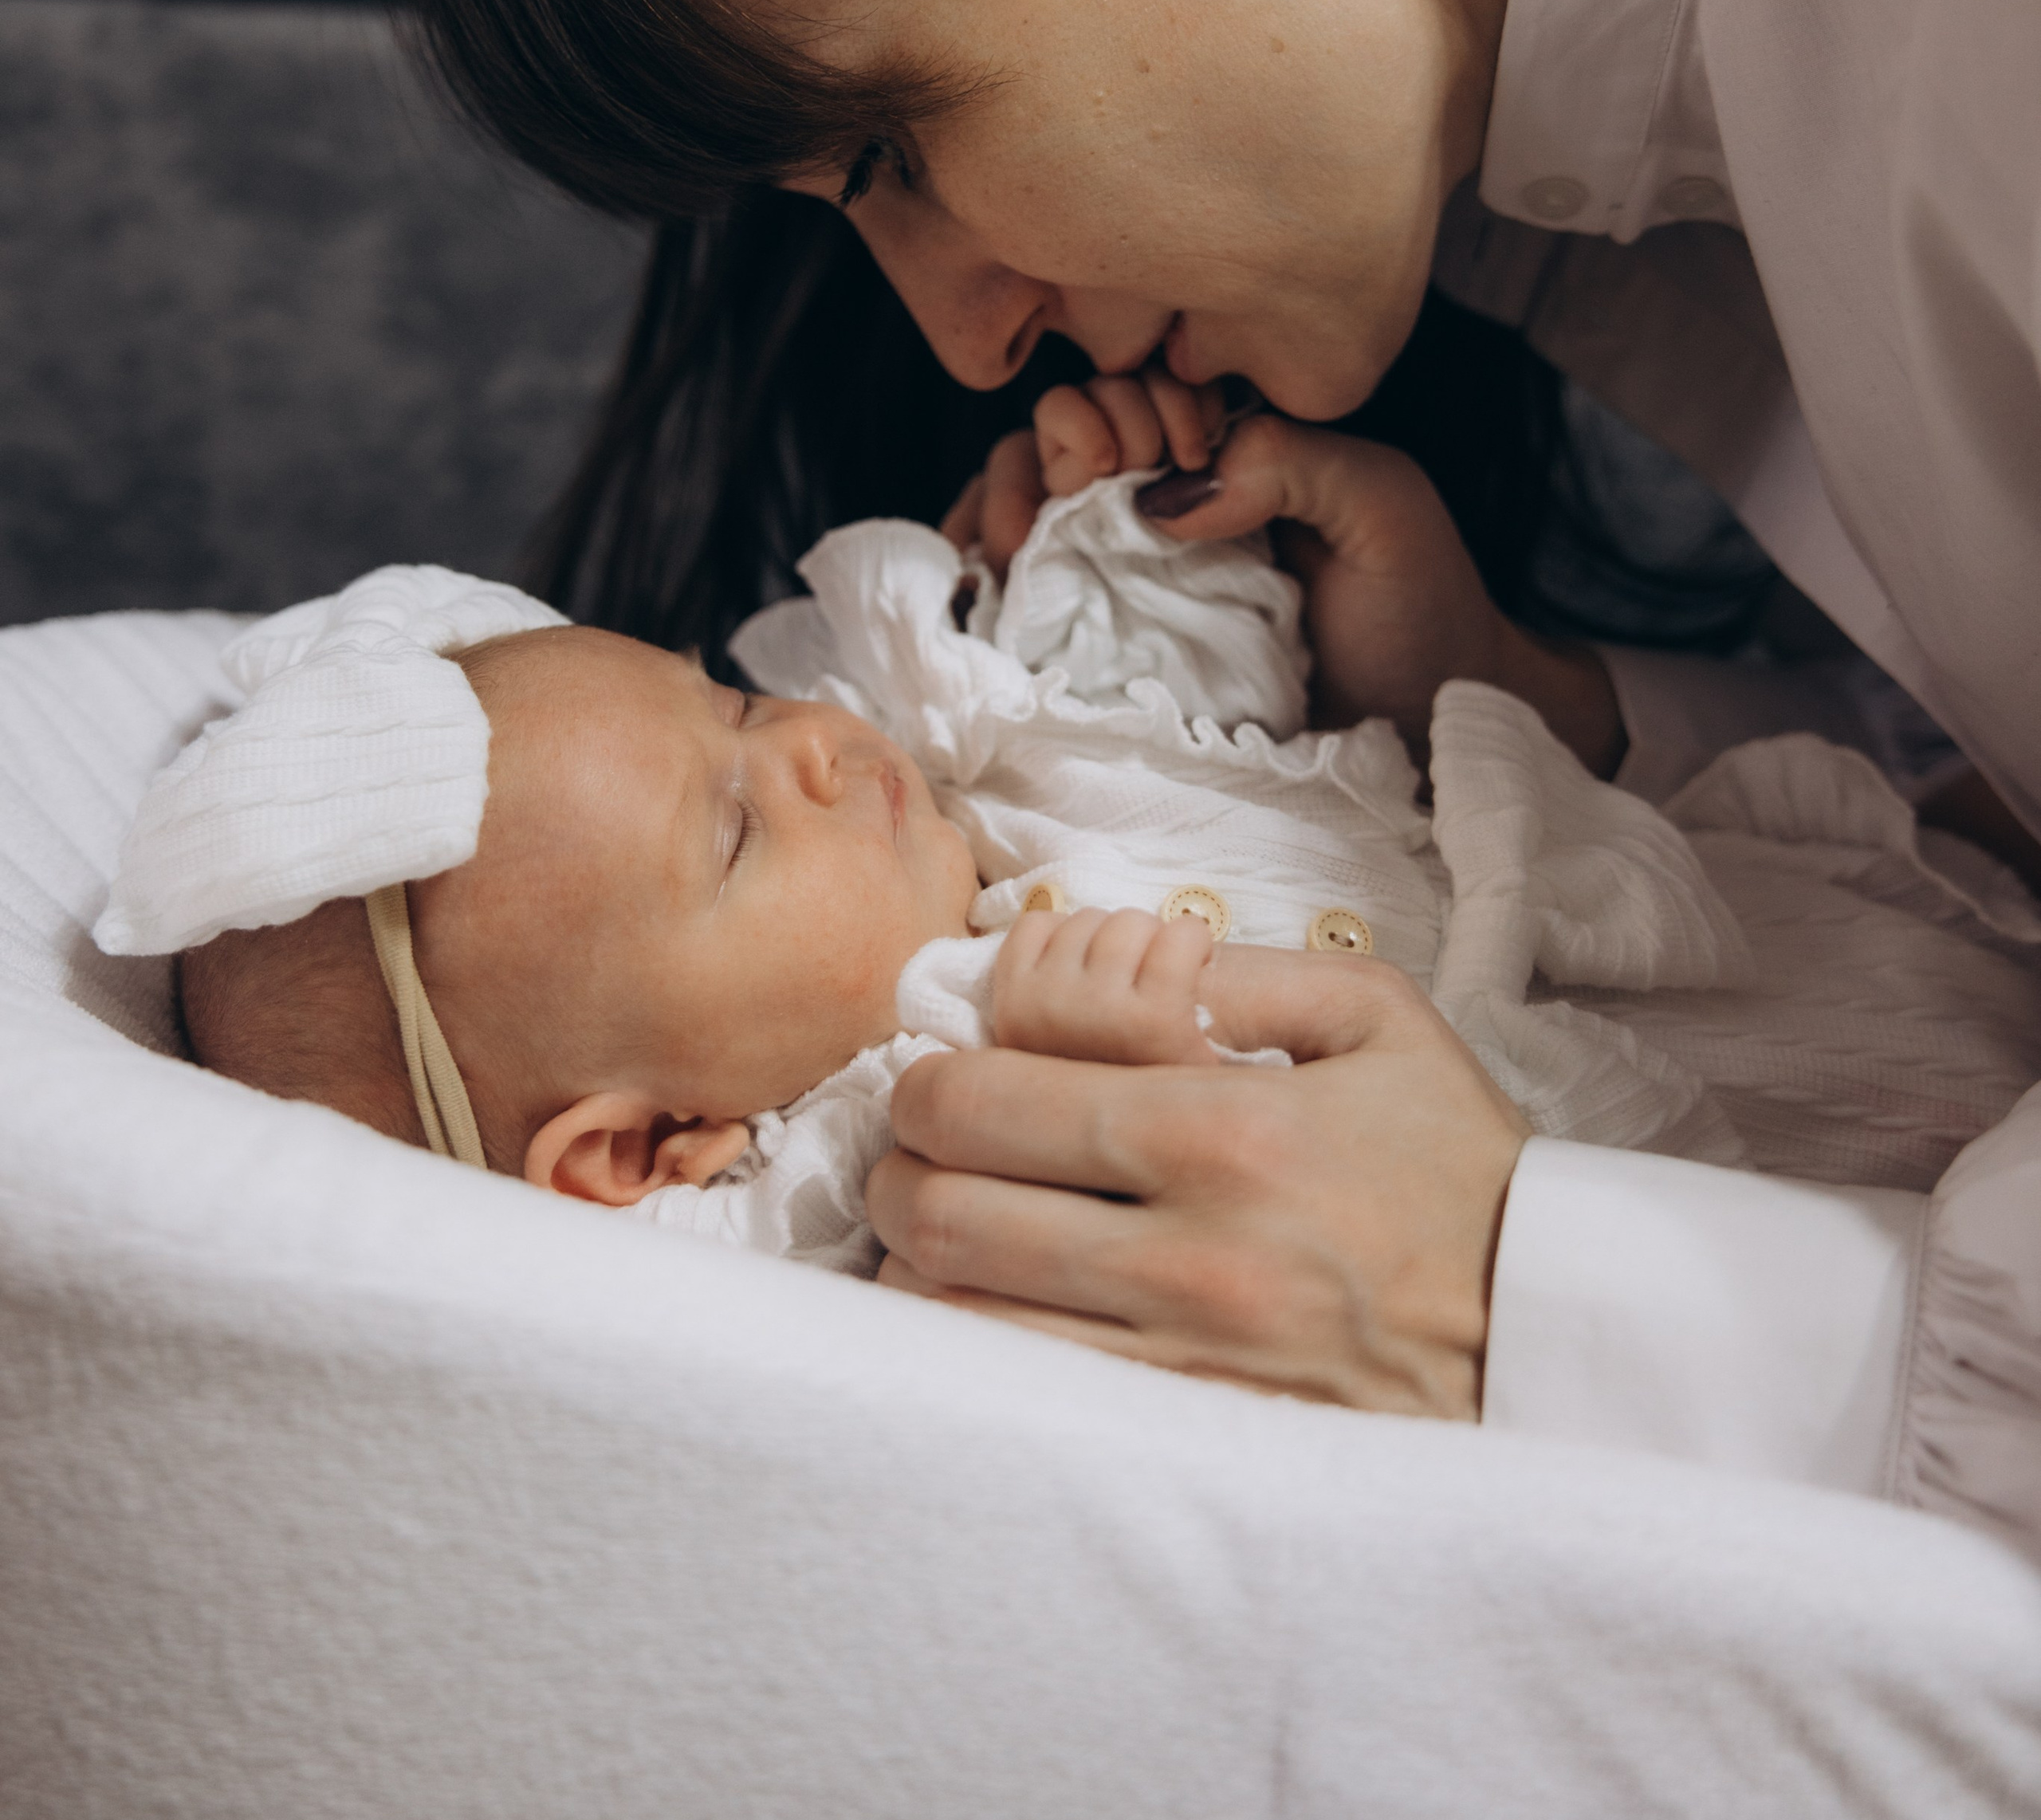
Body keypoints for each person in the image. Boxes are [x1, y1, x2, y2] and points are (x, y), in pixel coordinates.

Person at [373, 0, 2041, 1550]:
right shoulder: (1618, 112)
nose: (956, 331)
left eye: (899, 155)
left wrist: (1526, 1290)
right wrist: (1529, 717)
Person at [104, 422, 2041, 1482]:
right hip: (1846, 1232)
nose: (804, 745)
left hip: (1878, 913)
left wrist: (1138, 529)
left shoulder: (987, 754)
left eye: (715, 705)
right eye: (729, 829)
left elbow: (1177, 692)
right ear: (641, 1147)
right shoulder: (888, 1167)